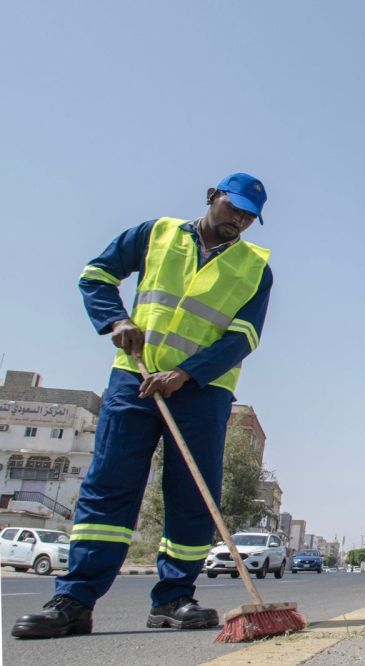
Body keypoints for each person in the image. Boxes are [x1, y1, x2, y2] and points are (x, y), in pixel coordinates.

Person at [12, 173, 274, 638]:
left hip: (202, 390)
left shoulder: (256, 268)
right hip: (134, 379)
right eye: (233, 207)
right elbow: (96, 275)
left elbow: (244, 337)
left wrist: (185, 373)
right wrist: (116, 320)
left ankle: (173, 598)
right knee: (109, 485)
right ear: (211, 197)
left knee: (193, 494)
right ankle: (74, 600)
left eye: (249, 216)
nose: (239, 219)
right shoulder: (156, 234)